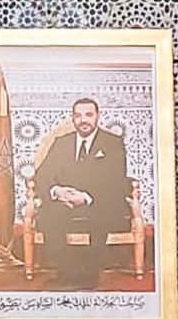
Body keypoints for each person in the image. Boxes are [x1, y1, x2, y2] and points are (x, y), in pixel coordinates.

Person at [33, 97, 131, 288]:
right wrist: (57, 191)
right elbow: (42, 175)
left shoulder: (113, 143)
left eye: (88, 115)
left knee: (101, 214)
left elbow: (116, 179)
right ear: (73, 118)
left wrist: (85, 198)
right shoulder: (62, 143)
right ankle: (66, 273)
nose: (83, 120)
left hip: (97, 201)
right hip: (65, 201)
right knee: (49, 214)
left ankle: (89, 276)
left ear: (97, 116)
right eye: (78, 115)